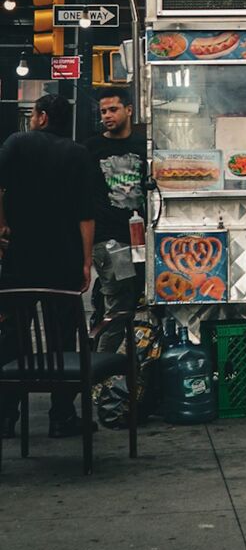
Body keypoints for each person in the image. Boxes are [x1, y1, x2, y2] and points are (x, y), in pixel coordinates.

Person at [0, 94, 95, 438]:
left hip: (19, 258)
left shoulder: (16, 143)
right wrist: (86, 262)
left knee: (12, 336)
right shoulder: (78, 154)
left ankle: (6, 416)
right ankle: (62, 416)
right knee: (62, 340)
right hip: (64, 259)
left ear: (40, 117)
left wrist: (2, 223)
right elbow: (87, 214)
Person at [87, 87, 147, 353]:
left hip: (143, 239)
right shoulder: (91, 148)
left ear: (129, 110)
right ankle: (101, 381)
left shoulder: (144, 144)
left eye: (113, 109)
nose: (107, 116)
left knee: (136, 302)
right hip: (111, 240)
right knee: (120, 308)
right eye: (103, 111)